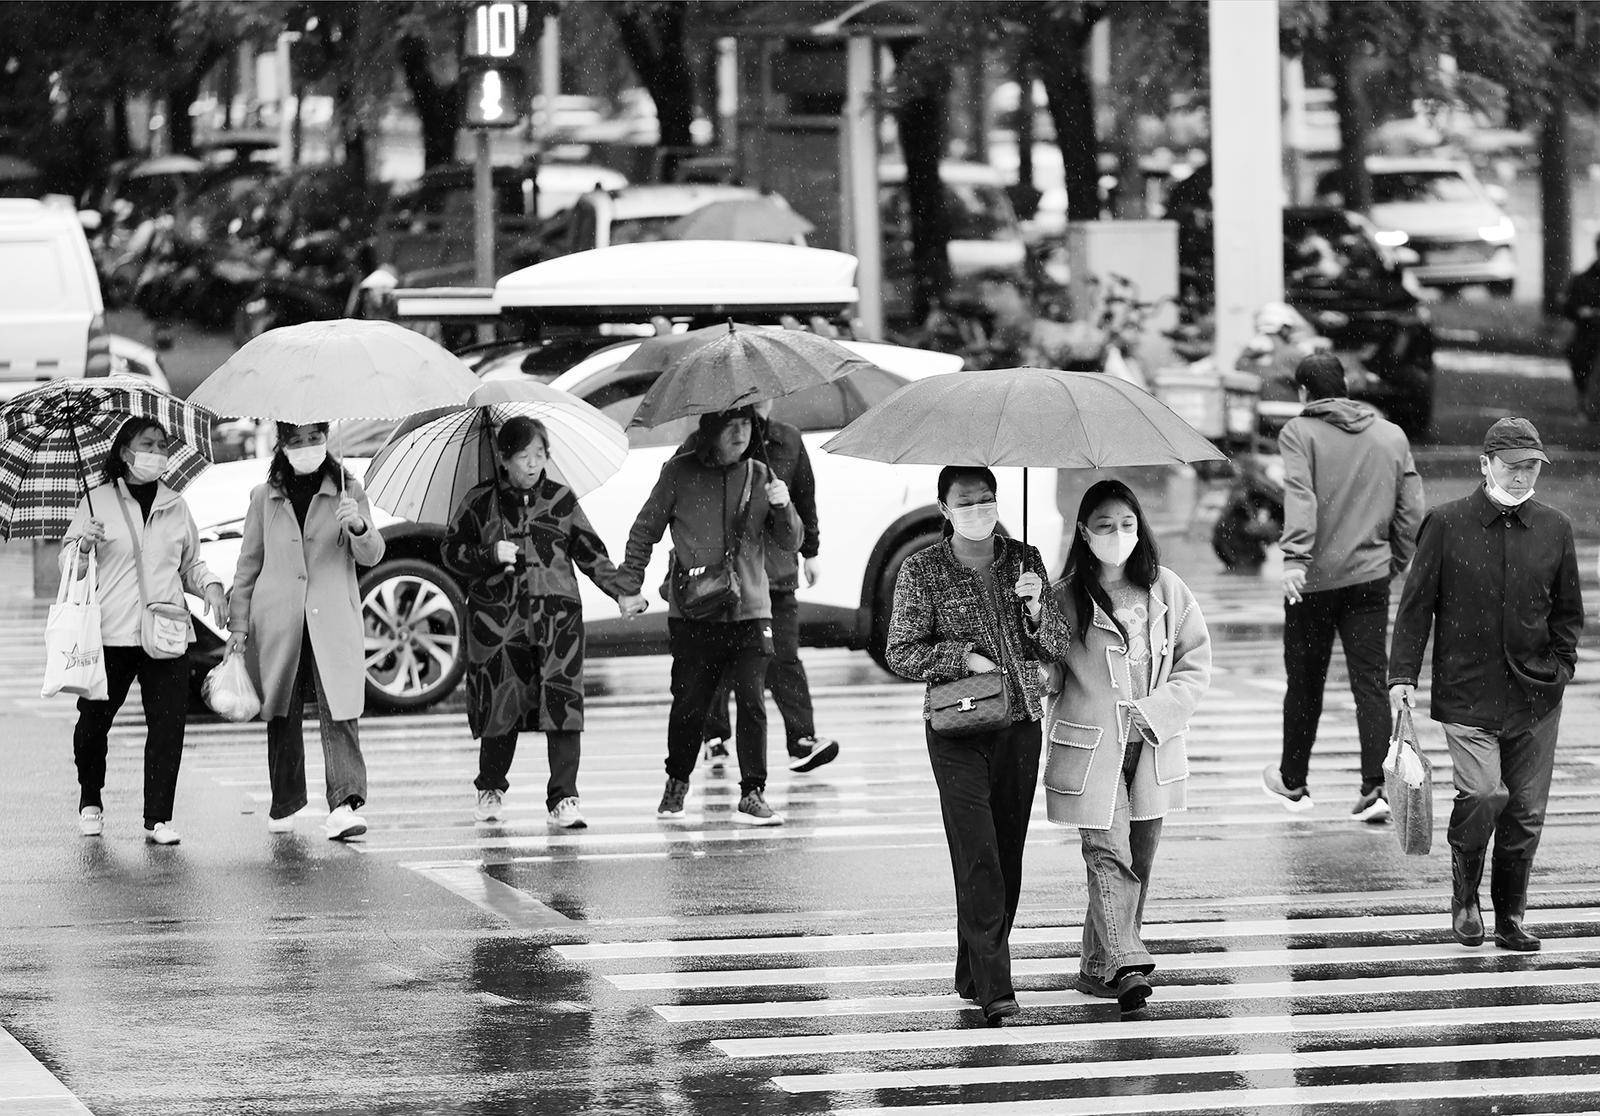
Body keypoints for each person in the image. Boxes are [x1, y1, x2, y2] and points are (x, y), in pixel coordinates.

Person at [1389, 417, 1583, 952]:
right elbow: (1415, 609)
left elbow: (1568, 614)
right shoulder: (1447, 524)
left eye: (1530, 468)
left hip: (1536, 694)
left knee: (1525, 812)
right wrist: (1402, 675)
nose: (1521, 478)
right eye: (1512, 466)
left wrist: (1560, 669)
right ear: (1486, 464)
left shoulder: (1554, 527)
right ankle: (1465, 895)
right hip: (1467, 693)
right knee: (1482, 793)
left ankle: (1511, 915)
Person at [886, 466, 1070, 1026]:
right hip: (957, 730)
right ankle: (997, 990)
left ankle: (973, 969)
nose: (978, 510)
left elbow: (1056, 645)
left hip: (1019, 723)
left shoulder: (1025, 559)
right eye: (965, 502)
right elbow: (900, 651)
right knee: (978, 855)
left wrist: (1038, 608)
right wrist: (960, 657)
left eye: (986, 499)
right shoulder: (922, 569)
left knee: (1007, 856)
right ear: (944, 508)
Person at [1042, 480, 1210, 1021]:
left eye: (1128, 525)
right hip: (1092, 748)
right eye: (1106, 526)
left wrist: (1158, 710)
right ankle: (1127, 965)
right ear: (1084, 534)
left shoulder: (1168, 590)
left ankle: (1098, 967)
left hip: (1152, 745)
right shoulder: (1063, 596)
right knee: (1108, 855)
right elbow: (1045, 673)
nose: (1118, 536)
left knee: (1138, 860)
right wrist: (1033, 614)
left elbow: (1195, 663)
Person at [442, 417, 645, 829]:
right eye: (523, 456)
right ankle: (491, 785)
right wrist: (488, 554)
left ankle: (564, 798)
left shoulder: (560, 499)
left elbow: (591, 553)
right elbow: (450, 553)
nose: (533, 465)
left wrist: (622, 591)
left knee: (563, 705)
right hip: (499, 622)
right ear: (503, 458)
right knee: (502, 703)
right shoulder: (480, 502)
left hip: (557, 622)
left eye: (539, 455)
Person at [616, 406, 802, 826]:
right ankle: (677, 780)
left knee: (752, 701)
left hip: (751, 609)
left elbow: (790, 540)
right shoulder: (678, 473)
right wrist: (629, 585)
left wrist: (784, 506)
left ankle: (753, 791)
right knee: (689, 706)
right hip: (693, 612)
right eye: (731, 425)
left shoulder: (761, 474)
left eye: (746, 425)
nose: (740, 433)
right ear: (712, 428)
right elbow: (645, 529)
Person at [1263, 352, 1425, 820]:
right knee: (1371, 685)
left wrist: (1295, 556)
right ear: (1347, 389)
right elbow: (1410, 507)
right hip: (1369, 579)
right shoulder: (1390, 434)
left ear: (1303, 394)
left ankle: (1294, 783)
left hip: (1311, 582)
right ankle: (1377, 786)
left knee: (1305, 683)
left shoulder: (1299, 431)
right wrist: (1395, 558)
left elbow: (1301, 493)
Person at [60, 418, 226, 845]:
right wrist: (83, 547)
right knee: (92, 726)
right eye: (146, 444)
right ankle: (90, 797)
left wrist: (210, 585)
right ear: (124, 451)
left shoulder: (176, 505)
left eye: (161, 444)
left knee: (168, 728)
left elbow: (190, 564)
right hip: (111, 635)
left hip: (167, 633)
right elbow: (69, 569)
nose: (156, 451)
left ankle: (158, 819)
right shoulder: (95, 503)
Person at [228, 422, 385, 841]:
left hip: (332, 616)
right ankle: (285, 800)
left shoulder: (348, 490)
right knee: (282, 708)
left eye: (313, 439)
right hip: (279, 618)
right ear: (282, 444)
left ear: (326, 438)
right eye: (296, 441)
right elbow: (248, 566)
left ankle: (345, 803)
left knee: (341, 708)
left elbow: (372, 555)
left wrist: (357, 527)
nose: (306, 448)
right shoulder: (265, 498)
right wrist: (238, 626)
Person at [692, 399, 839, 775]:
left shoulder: (786, 440)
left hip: (776, 571)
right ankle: (715, 737)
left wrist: (811, 552)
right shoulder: (706, 440)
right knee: (720, 661)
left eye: (765, 394)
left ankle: (802, 740)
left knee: (784, 655)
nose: (759, 403)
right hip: (726, 575)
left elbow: (805, 495)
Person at [1561, 233, 1600, 416]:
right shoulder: (1583, 280)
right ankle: (1586, 400)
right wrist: (1582, 312)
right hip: (1588, 333)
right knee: (1581, 354)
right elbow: (1569, 306)